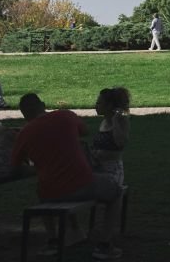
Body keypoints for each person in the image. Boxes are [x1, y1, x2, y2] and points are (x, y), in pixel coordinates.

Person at [11, 93, 124, 260]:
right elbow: (84, 131)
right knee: (116, 191)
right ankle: (105, 244)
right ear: (42, 104)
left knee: (41, 190)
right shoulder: (65, 116)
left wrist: (38, 169)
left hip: (51, 192)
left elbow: (15, 168)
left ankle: (53, 240)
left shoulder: (24, 134)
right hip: (83, 183)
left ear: (23, 113)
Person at [91, 87, 131, 186]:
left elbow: (120, 142)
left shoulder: (121, 121)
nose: (96, 106)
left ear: (109, 106)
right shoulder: (103, 121)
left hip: (112, 171)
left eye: (99, 103)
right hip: (98, 168)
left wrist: (115, 121)